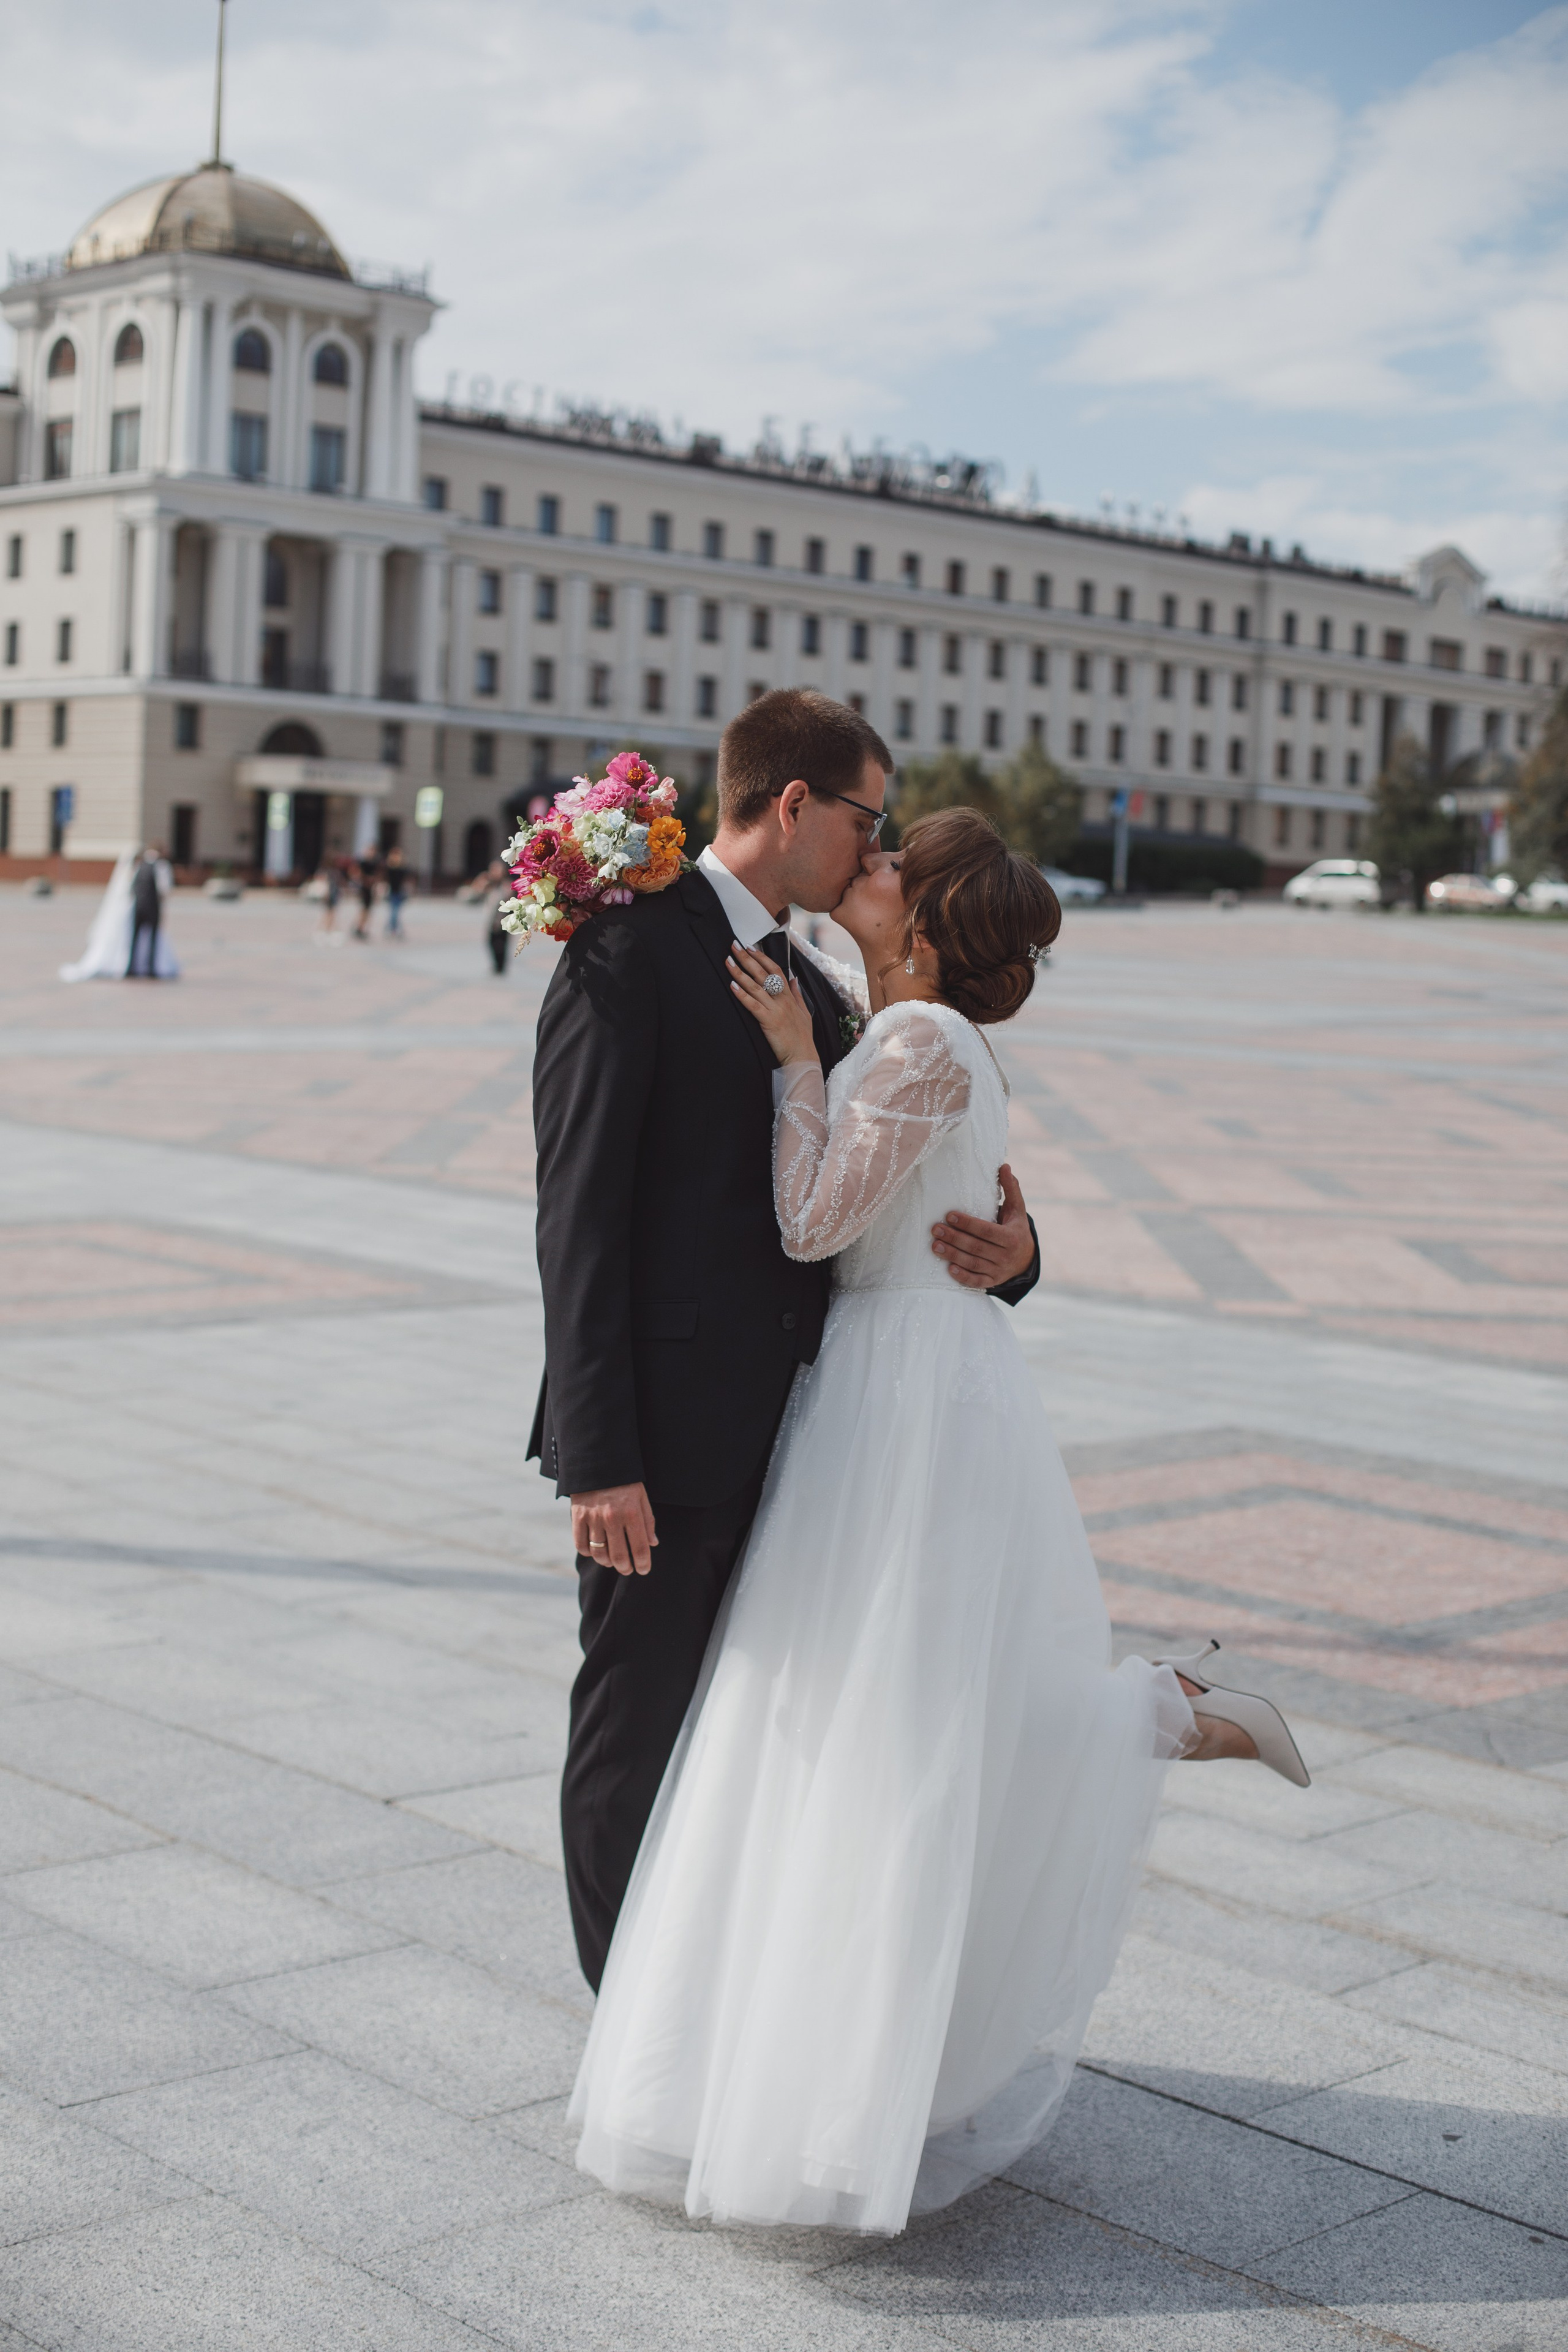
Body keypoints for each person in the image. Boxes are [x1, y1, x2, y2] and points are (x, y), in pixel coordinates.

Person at [568, 805, 1310, 2235]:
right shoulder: (900, 1025)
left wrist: (796, 1062)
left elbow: (811, 1224)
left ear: (926, 917)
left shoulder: (910, 1038)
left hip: (899, 1402)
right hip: (888, 1382)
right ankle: (1157, 1717)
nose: (870, 860)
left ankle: (1158, 1716)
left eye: (893, 861)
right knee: (888, 1720)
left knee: (882, 1726)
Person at [529, 692, 1044, 1997]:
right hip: (664, 1444)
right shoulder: (630, 950)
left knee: (748, 1750)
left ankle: (719, 2011)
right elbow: (578, 1218)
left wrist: (1020, 1253)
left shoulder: (817, 983)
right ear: (797, 804)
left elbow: (906, 1176)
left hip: (811, 1440)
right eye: (869, 819)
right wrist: (600, 1456)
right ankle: (628, 2027)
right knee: (636, 1737)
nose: (879, 848)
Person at [476, 859, 510, 974]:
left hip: (503, 923)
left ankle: (500, 967)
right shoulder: (489, 886)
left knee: (501, 946)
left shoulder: (506, 886)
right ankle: (496, 966)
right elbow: (473, 897)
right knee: (491, 943)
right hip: (491, 922)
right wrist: (480, 883)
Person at [383, 846, 409, 938]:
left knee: (396, 912)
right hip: (392, 892)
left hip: (400, 892)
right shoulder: (390, 868)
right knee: (394, 912)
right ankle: (393, 930)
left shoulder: (402, 869)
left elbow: (405, 878)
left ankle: (393, 929)